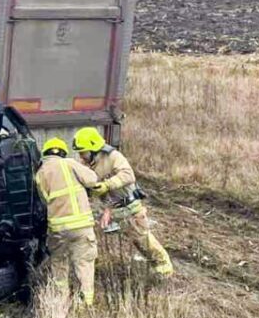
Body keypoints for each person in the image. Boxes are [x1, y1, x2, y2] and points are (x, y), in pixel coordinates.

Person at [72, 127, 173, 277]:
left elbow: (128, 175)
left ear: (94, 149)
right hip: (112, 209)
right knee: (92, 237)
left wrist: (107, 185)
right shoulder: (89, 164)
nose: (81, 156)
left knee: (142, 240)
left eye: (83, 152)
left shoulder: (113, 156)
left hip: (129, 206)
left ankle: (164, 269)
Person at [35, 137, 103, 307]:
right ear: (63, 152)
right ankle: (85, 303)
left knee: (59, 262)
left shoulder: (40, 173)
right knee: (84, 262)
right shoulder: (70, 163)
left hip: (57, 227)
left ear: (46, 154)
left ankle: (61, 298)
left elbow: (43, 200)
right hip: (80, 225)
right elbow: (93, 179)